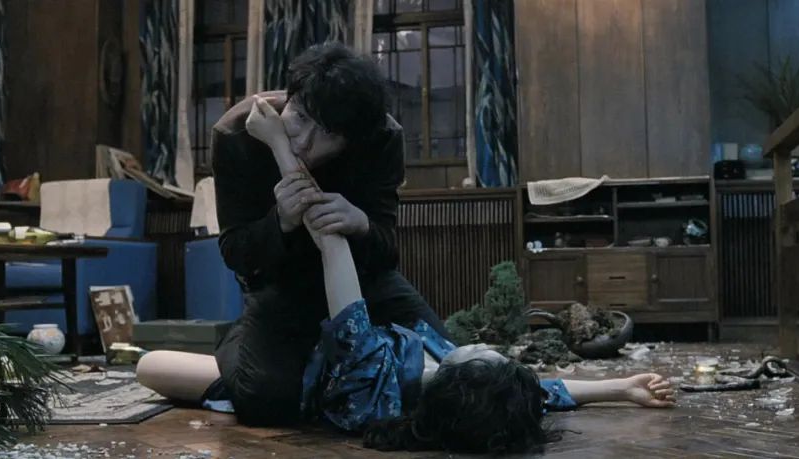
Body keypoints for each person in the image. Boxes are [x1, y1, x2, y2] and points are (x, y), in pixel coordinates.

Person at [138, 94, 677, 454]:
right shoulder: (464, 389)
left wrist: (279, 142)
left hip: (318, 377)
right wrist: (620, 388)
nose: (489, 348)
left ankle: (237, 349)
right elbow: (541, 391)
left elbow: (330, 243)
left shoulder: (374, 368)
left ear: (458, 377)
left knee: (156, 368)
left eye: (487, 355)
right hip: (333, 343)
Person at [206, 42, 448, 426]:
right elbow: (235, 251)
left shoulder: (380, 136)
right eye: (299, 118)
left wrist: (361, 223)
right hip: (281, 286)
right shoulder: (237, 135)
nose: (303, 142)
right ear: (290, 99)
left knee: (448, 368)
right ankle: (239, 339)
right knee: (265, 401)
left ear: (351, 138)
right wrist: (280, 222)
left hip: (365, 282)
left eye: (327, 134)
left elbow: (387, 253)